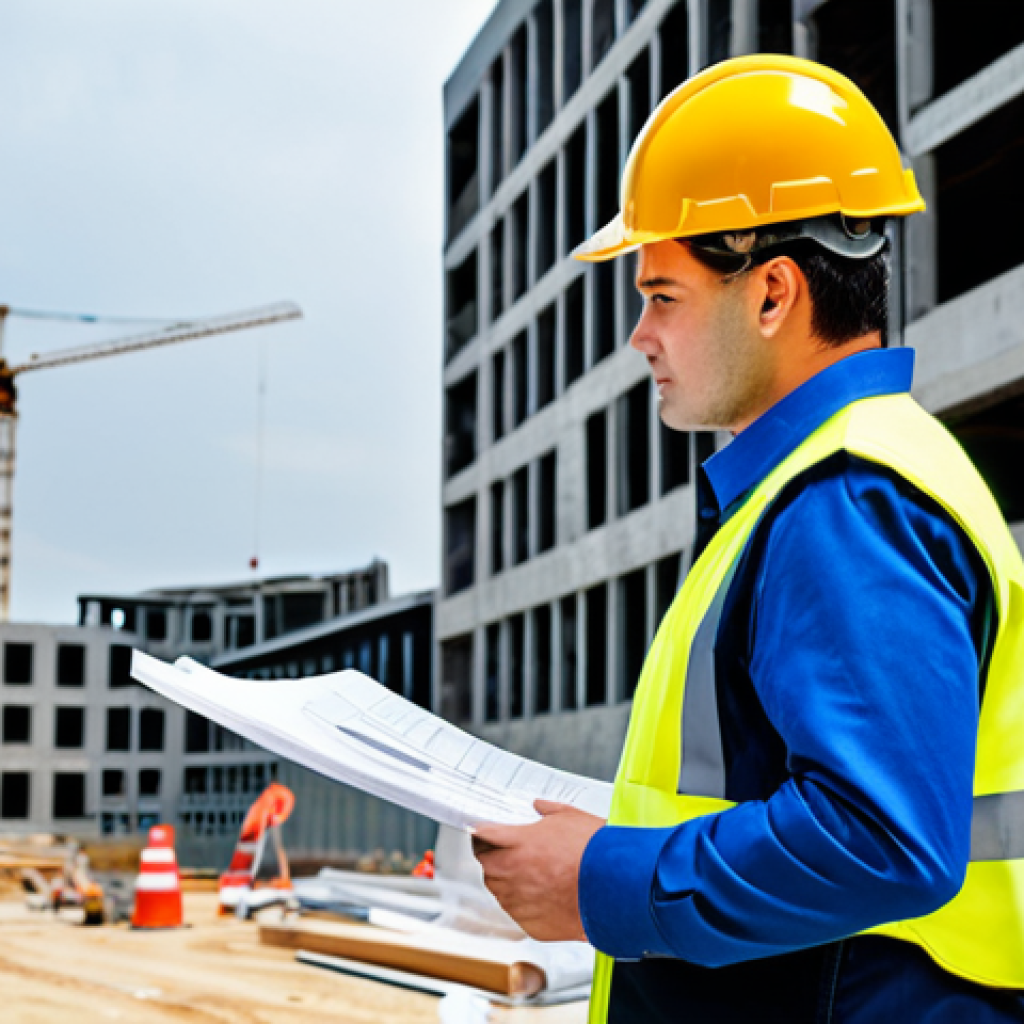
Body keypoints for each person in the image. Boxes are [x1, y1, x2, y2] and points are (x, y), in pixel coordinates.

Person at [472, 55, 1024, 1023]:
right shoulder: (821, 486)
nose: (640, 335)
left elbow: (880, 835)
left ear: (771, 293)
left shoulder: (845, 499)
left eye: (662, 295)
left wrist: (603, 877)